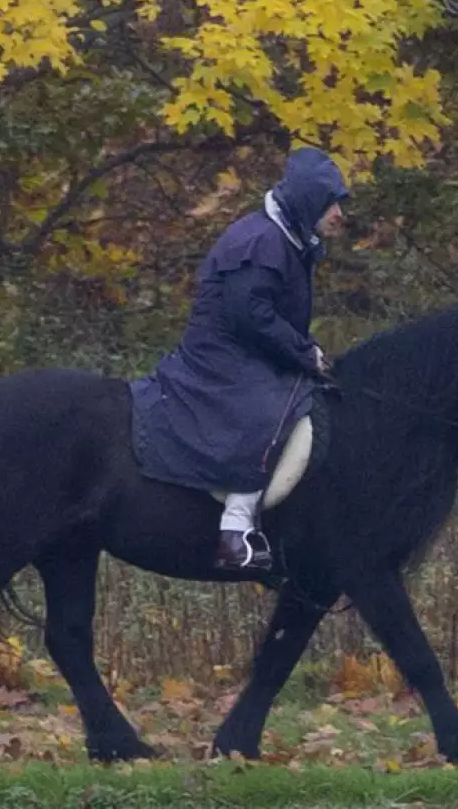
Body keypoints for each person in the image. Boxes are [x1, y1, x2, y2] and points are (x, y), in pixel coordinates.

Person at [130, 147, 349, 571]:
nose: (340, 213)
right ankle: (234, 532)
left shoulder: (288, 239)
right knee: (271, 410)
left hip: (248, 349)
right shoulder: (261, 241)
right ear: (308, 201)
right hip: (221, 356)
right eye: (331, 203)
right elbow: (251, 315)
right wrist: (305, 353)